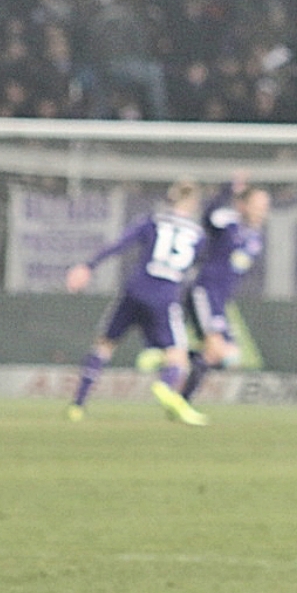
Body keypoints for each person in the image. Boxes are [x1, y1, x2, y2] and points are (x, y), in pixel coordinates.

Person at [63, 179, 207, 425]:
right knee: (178, 358)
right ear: (193, 202)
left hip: (135, 289)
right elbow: (195, 266)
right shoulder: (197, 235)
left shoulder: (152, 221)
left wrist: (88, 266)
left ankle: (77, 405)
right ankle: (165, 385)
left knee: (104, 346)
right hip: (164, 294)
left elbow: (119, 244)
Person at [179, 174, 270, 403]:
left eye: (265, 206)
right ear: (243, 205)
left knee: (226, 357)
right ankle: (169, 359)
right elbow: (209, 215)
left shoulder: (255, 237)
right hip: (204, 293)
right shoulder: (229, 223)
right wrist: (227, 189)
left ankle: (181, 398)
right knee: (220, 351)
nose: (262, 211)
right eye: (258, 205)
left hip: (219, 300)